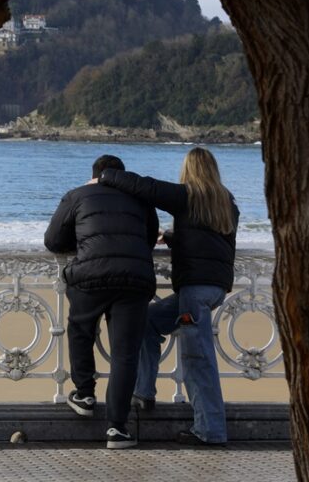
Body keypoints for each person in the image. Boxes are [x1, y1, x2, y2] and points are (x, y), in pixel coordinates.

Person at [98, 147, 239, 446]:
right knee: (148, 322)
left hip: (195, 290)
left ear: (189, 170)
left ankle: (210, 431)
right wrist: (175, 238)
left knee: (198, 360)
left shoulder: (188, 195)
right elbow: (212, 239)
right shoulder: (226, 202)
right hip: (213, 289)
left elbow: (144, 186)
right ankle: (143, 392)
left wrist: (105, 176)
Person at [44, 154, 158, 449]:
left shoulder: (77, 195)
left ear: (93, 174)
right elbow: (147, 239)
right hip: (135, 280)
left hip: (90, 276)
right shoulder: (142, 200)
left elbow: (53, 241)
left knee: (81, 329)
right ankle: (117, 428)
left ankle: (84, 393)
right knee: (125, 354)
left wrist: (84, 244)